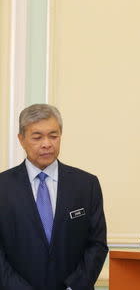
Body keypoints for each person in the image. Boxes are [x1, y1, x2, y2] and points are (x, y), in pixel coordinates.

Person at [0, 104, 108, 290]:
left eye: (53, 136)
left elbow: (96, 244)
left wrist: (74, 287)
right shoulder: (3, 186)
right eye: (37, 137)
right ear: (21, 139)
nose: (47, 144)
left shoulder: (86, 184)